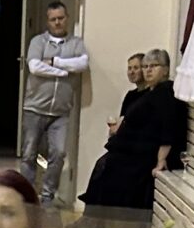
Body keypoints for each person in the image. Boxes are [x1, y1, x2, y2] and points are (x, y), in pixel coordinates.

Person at [80, 48, 188, 211]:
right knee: (104, 166)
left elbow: (168, 129)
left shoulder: (166, 93)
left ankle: (99, 216)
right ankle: (95, 216)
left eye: (154, 66)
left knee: (107, 167)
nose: (148, 70)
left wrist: (161, 160)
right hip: (133, 151)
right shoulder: (151, 92)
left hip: (144, 155)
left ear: (166, 70)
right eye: (145, 66)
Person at [18, 0, 90, 205]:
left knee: (58, 153)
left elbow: (82, 63)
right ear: (47, 21)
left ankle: (47, 195)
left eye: (61, 18)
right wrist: (64, 71)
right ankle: (27, 195)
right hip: (34, 108)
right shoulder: (38, 42)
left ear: (67, 18)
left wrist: (54, 62)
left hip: (61, 112)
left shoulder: (76, 43)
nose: (57, 22)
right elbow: (35, 67)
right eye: (53, 19)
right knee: (29, 153)